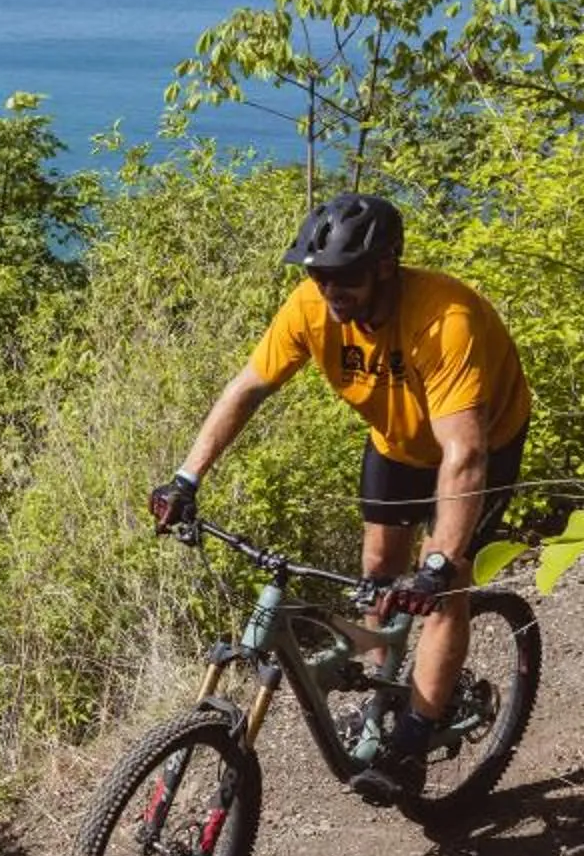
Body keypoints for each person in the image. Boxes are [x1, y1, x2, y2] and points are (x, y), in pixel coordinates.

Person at [148, 192, 532, 802]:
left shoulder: (444, 320)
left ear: (385, 266)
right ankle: (382, 701)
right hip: (397, 442)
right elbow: (248, 388)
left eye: (344, 276)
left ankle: (413, 738)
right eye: (318, 274)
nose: (330, 290)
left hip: (479, 446)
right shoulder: (311, 308)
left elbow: (464, 453)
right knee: (377, 573)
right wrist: (186, 479)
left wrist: (436, 566)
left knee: (446, 588)